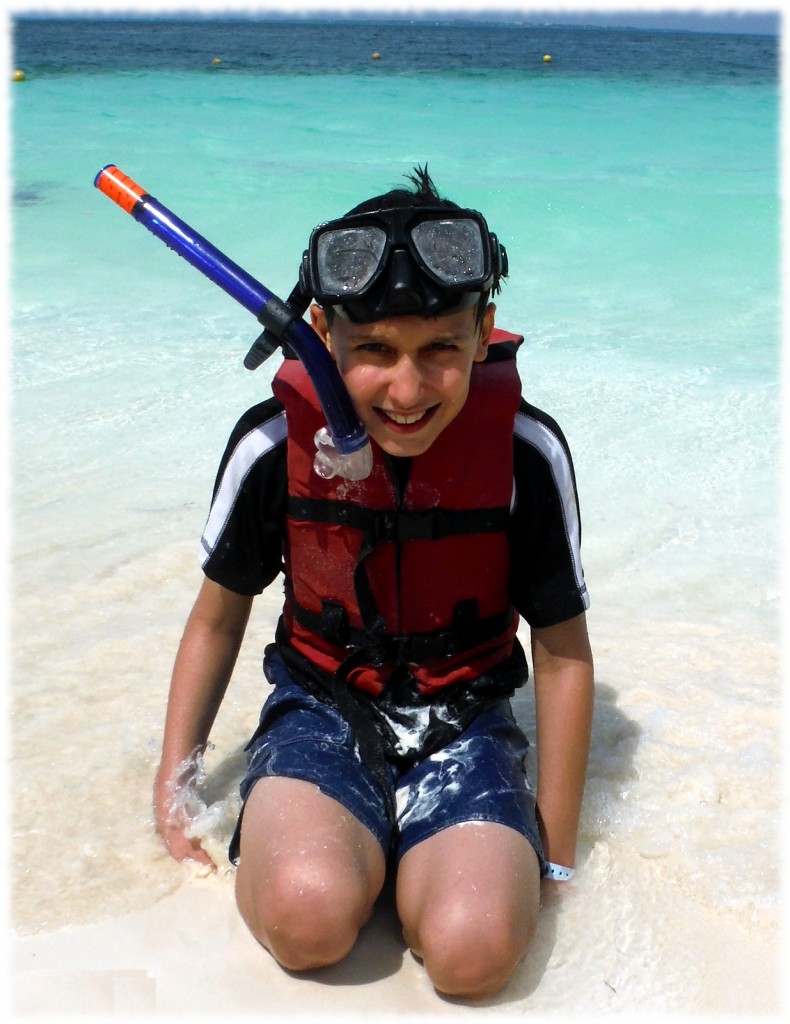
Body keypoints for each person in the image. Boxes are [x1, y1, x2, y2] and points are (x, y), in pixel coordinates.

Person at [153, 166, 594, 1000]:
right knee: (306, 920)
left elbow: (564, 651)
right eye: (374, 352)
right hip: (322, 705)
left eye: (440, 351)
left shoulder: (525, 455)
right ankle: (345, 845)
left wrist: (558, 852)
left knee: (476, 956)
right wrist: (174, 790)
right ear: (320, 334)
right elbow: (217, 620)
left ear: (482, 331)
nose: (407, 387)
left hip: (463, 717)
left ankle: (422, 856)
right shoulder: (272, 445)